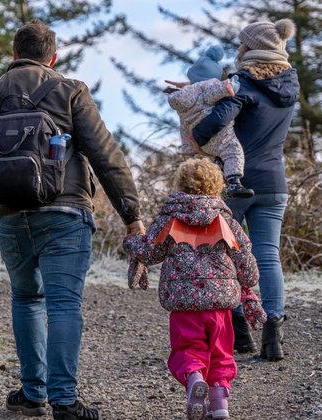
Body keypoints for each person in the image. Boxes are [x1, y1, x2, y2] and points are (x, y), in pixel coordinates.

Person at [0, 20, 144, 420]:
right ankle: (65, 403)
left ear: (14, 55)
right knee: (64, 304)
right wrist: (132, 217)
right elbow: (106, 157)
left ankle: (33, 393)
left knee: (26, 298)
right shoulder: (70, 90)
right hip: (65, 213)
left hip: (9, 218)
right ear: (53, 57)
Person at [177, 18, 299, 361]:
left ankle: (240, 331)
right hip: (274, 183)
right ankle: (273, 329)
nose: (238, 49)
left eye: (242, 44)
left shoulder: (241, 84)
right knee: (268, 255)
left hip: (235, 182)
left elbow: (216, 120)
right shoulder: (289, 85)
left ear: (252, 48)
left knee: (224, 256)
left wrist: (196, 138)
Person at [123, 158, 263, 420]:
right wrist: (249, 281)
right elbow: (244, 257)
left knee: (187, 350)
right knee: (221, 354)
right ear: (217, 186)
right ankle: (220, 405)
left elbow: (150, 252)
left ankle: (195, 378)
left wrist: (131, 241)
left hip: (184, 305)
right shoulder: (226, 220)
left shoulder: (170, 219)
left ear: (180, 184)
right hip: (221, 306)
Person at [167, 45, 254, 199]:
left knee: (215, 158)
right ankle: (233, 182)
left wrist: (188, 148)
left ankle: (220, 176)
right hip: (219, 135)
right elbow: (217, 90)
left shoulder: (183, 97)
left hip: (200, 143)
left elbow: (183, 126)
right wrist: (232, 84)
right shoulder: (210, 87)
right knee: (233, 151)